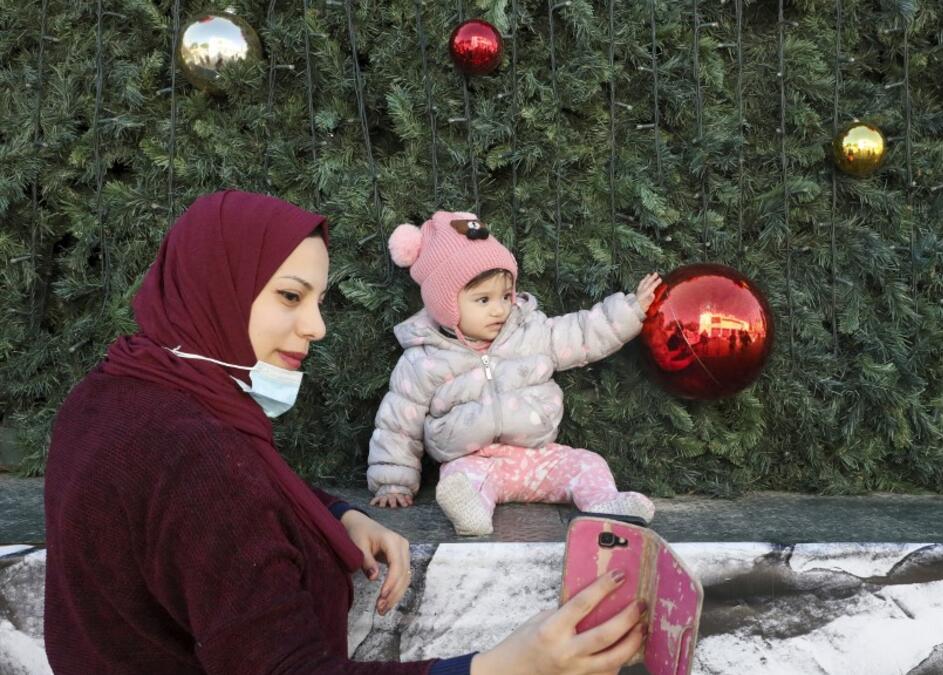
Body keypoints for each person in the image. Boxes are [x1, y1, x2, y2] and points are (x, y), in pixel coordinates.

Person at [43, 191, 643, 674]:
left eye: (318, 299)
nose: (318, 326)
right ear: (215, 284)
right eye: (288, 296)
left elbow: (221, 504)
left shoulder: (117, 390)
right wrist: (504, 668)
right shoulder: (197, 455)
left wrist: (331, 513)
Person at [366, 211, 661, 536]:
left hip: (538, 458)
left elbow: (580, 334)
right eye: (483, 299)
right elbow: (398, 423)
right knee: (460, 482)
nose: (499, 308)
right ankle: (473, 514)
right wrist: (393, 482)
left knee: (587, 464)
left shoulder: (528, 331)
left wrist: (631, 309)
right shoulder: (424, 359)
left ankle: (605, 503)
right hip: (475, 461)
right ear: (445, 303)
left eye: (505, 296)